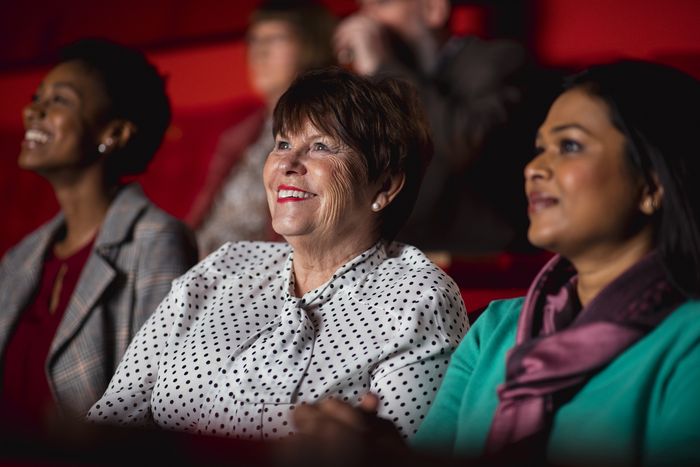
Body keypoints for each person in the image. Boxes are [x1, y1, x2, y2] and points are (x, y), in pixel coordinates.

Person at [286, 60, 700, 467]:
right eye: (539, 149)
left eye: (570, 146)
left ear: (651, 184)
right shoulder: (497, 328)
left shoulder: (689, 342)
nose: (535, 168)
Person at [87, 67, 468, 440]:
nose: (286, 163)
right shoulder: (226, 266)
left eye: (320, 146)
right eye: (283, 143)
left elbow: (400, 459)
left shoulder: (418, 299)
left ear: (385, 185)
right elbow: (113, 418)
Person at [0, 39, 198, 425]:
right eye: (37, 96)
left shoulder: (156, 241)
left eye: (60, 100)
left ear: (115, 133)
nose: (32, 111)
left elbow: (160, 405)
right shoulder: (19, 257)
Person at [334, 0, 546, 254]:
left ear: (433, 9)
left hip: (479, 263)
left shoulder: (499, 60)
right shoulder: (376, 81)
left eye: (382, 4)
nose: (368, 22)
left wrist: (383, 67)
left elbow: (468, 144)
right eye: (364, 8)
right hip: (394, 261)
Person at [189, 0, 337, 255]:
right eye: (254, 41)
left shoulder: (332, 126)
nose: (259, 52)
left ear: (310, 45)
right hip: (202, 263)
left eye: (275, 39)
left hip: (261, 272)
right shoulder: (241, 133)